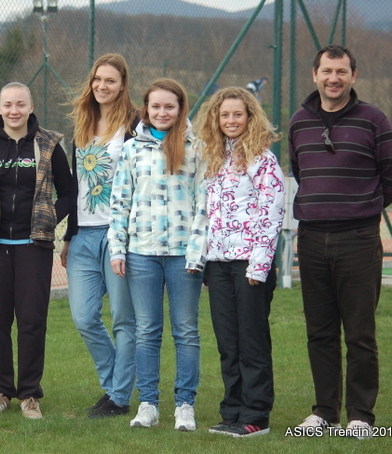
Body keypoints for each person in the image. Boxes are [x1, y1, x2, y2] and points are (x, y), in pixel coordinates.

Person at [289, 45, 392, 439]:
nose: (333, 79)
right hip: (311, 238)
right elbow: (300, 171)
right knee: (319, 333)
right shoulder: (299, 122)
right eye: (327, 71)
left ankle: (360, 416)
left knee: (360, 333)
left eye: (341, 72)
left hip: (358, 239)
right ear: (315, 75)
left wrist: (361, 207)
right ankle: (325, 412)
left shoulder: (373, 119)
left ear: (353, 76)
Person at [0, 82, 72, 419]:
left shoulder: (49, 144)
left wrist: (49, 218)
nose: (14, 111)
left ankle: (29, 395)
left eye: (20, 104)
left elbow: (68, 192)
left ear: (31, 107)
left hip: (34, 247)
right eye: (8, 104)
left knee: (32, 321)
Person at [108, 78, 207, 430]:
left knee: (186, 331)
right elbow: (119, 202)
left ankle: (185, 405)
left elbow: (203, 203)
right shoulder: (132, 149)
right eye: (156, 106)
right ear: (146, 110)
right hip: (141, 253)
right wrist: (118, 249)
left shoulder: (197, 147)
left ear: (181, 109)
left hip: (183, 256)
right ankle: (148, 403)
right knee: (147, 331)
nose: (162, 112)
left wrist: (196, 253)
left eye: (170, 106)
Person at [193, 86, 285, 438]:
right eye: (225, 115)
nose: (231, 120)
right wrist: (204, 260)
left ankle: (256, 415)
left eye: (237, 114)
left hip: (250, 264)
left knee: (251, 340)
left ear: (250, 117)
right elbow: (207, 213)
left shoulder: (263, 159)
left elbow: (271, 212)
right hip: (218, 264)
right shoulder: (213, 159)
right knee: (228, 342)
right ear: (216, 119)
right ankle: (231, 411)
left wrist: (259, 265)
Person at [61, 53, 139, 419]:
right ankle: (114, 386)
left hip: (119, 234)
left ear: (122, 85)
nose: (102, 86)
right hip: (83, 235)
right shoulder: (83, 124)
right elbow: (75, 187)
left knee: (123, 319)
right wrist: (68, 235)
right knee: (84, 317)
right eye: (97, 79)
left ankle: (119, 397)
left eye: (110, 80)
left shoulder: (136, 125)